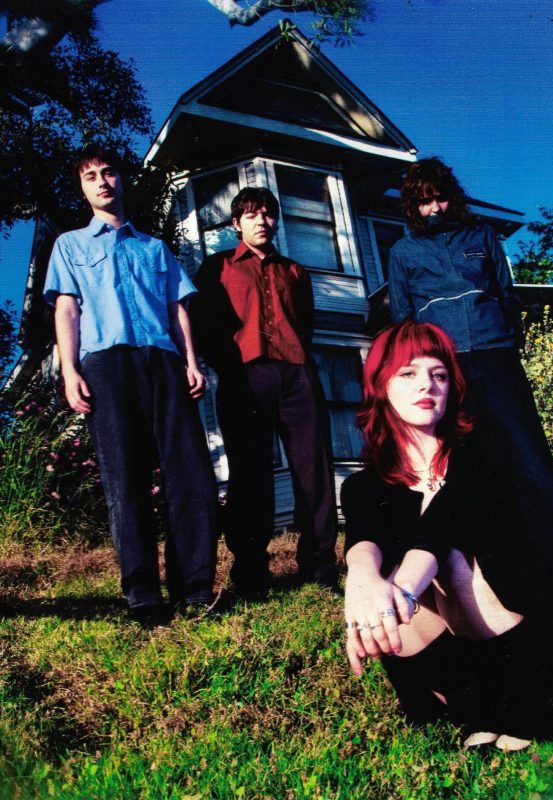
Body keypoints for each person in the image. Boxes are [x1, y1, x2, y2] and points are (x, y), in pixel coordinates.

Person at [342, 321, 553, 750]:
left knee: (448, 560)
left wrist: (401, 590)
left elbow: (444, 521)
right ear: (381, 384)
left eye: (439, 374)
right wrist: (361, 585)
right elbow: (363, 538)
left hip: (521, 630)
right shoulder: (364, 484)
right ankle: (471, 705)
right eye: (408, 373)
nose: (427, 385)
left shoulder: (483, 448)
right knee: (380, 575)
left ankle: (525, 704)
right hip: (446, 656)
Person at [43, 144, 218, 627]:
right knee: (125, 478)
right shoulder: (71, 245)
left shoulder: (154, 248)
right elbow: (67, 309)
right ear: (83, 189)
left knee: (191, 475)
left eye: (109, 173)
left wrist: (191, 361)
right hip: (106, 364)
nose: (102, 182)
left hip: (163, 363)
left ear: (121, 180)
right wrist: (70, 370)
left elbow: (177, 307)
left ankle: (195, 589)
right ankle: (143, 596)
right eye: (91, 177)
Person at [387, 157, 553, 592]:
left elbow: (506, 296)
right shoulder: (403, 253)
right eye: (424, 202)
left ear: (451, 198)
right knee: (471, 464)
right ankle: (494, 571)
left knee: (529, 460)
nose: (434, 208)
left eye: (440, 198)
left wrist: (507, 345)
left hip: (496, 358)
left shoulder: (482, 236)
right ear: (413, 206)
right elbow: (403, 319)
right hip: (448, 367)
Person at [190, 187, 338, 595]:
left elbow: (305, 323)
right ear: (236, 224)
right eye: (252, 215)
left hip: (296, 375)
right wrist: (229, 367)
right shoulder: (217, 267)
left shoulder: (295, 271)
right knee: (250, 473)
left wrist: (297, 363)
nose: (262, 221)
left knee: (314, 471)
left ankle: (320, 568)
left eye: (268, 214)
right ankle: (251, 573)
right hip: (244, 378)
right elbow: (202, 325)